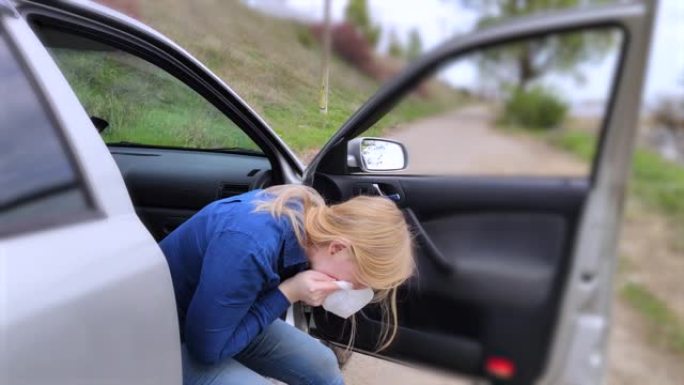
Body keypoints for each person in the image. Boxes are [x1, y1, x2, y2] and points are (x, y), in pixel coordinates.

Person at [160, 184, 415, 385]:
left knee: (323, 364)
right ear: (338, 248)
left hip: (223, 320)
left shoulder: (312, 224)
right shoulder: (250, 245)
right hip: (165, 336)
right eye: (357, 281)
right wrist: (288, 293)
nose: (353, 288)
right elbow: (206, 350)